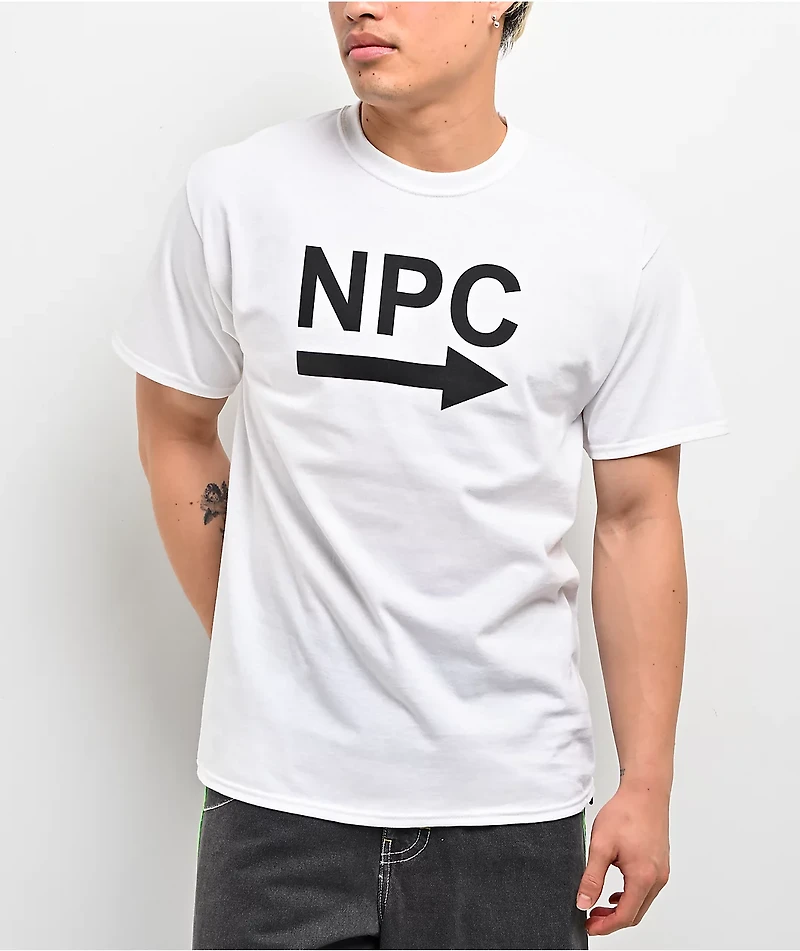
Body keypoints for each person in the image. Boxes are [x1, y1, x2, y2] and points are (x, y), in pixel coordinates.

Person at [111, 3, 730, 948]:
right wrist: (262, 640)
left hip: (511, 811)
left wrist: (647, 783)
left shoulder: (609, 240)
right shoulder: (238, 196)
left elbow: (637, 516)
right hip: (275, 807)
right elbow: (177, 427)